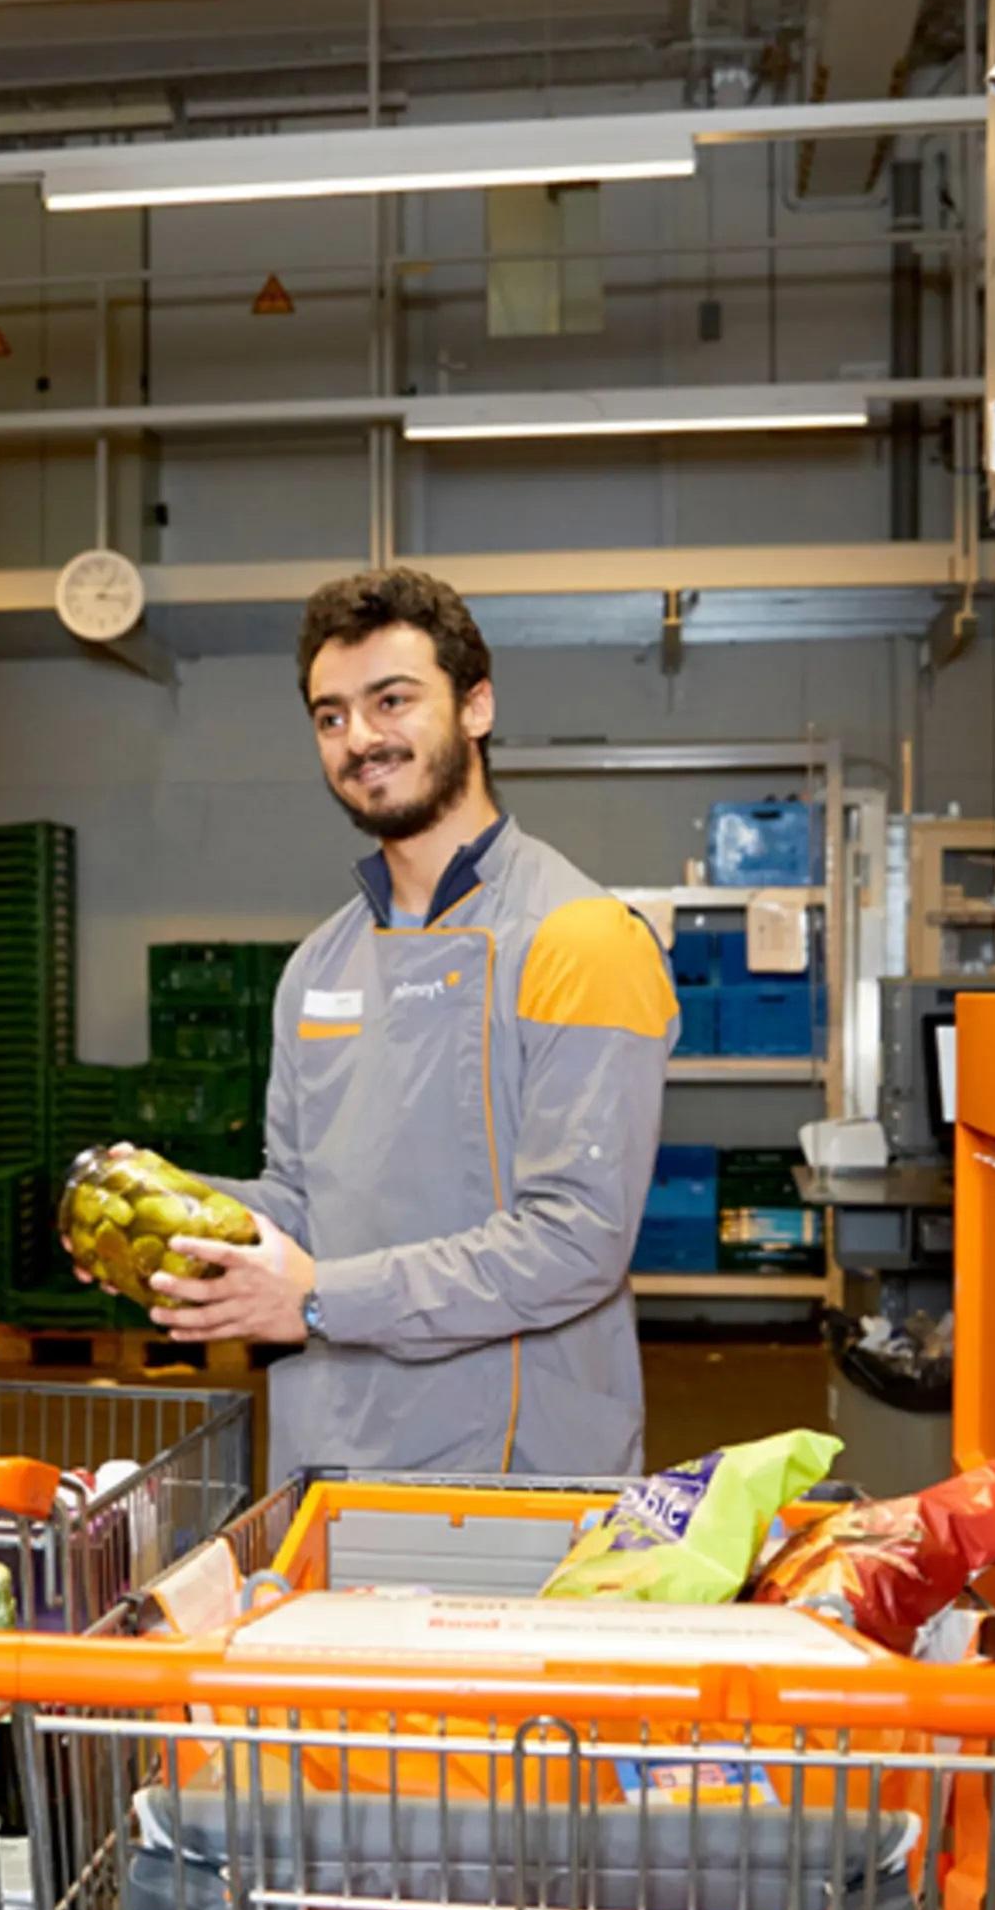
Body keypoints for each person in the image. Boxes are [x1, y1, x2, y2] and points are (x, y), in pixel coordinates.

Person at [148, 566, 677, 1482]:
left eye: (392, 700)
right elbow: (308, 1203)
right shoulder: (318, 967)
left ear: (477, 707)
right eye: (331, 715)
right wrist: (167, 1210)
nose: (361, 738)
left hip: (517, 1476)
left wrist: (318, 1301)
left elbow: (575, 1242)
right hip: (336, 1455)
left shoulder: (580, 937)